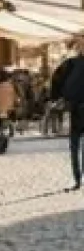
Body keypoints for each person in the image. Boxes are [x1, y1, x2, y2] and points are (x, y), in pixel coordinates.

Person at [52, 46, 84, 191]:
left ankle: (78, 180)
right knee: (75, 147)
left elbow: (56, 79)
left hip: (76, 108)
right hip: (76, 108)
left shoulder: (71, 64)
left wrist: (57, 98)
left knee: (75, 147)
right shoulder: (71, 64)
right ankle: (78, 179)